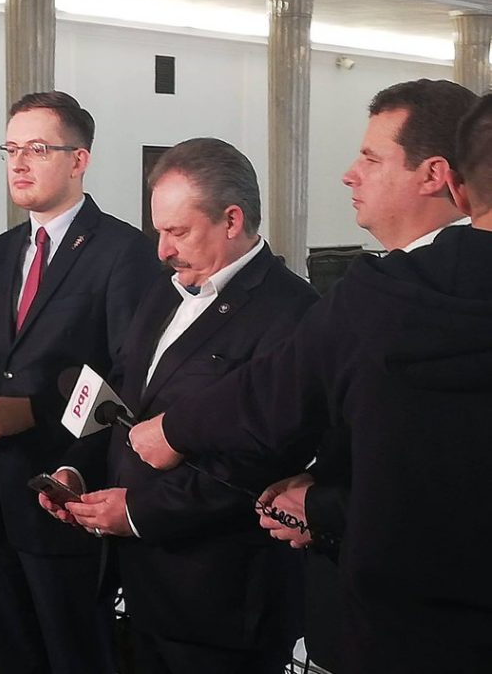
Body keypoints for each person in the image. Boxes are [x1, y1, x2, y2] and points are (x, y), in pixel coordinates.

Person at [128, 95, 492, 674]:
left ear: (448, 182)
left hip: (388, 624)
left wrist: (173, 430)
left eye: (371, 158)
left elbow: (270, 400)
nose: (350, 173)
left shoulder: (376, 296)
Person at [43, 138, 317, 674]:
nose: (162, 251)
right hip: (137, 587)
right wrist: (76, 470)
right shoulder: (164, 292)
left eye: (178, 232)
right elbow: (119, 401)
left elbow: (265, 461)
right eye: (158, 232)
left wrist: (137, 513)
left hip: (222, 602)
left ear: (232, 220)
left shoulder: (293, 312)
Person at [259, 78, 474, 671]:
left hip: (419, 625)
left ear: (433, 175)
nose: (349, 175)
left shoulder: (407, 301)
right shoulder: (390, 289)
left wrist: (324, 508)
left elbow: (451, 490)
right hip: (361, 609)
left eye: (371, 159)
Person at [0, 91, 158, 674]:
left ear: (79, 160)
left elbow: (127, 377)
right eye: (11, 149)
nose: (19, 163)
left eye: (38, 149)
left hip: (69, 494)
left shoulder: (123, 251)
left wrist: (35, 411)